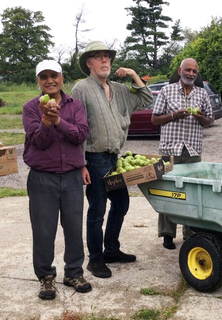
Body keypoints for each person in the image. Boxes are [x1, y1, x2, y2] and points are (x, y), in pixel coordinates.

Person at [71, 41, 153, 278]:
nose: (104, 60)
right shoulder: (81, 89)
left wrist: (134, 74)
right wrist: (81, 163)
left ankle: (112, 250)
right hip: (94, 159)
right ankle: (95, 260)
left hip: (115, 159)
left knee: (121, 204)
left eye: (107, 56)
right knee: (97, 211)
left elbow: (146, 98)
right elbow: (78, 128)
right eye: (98, 57)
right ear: (89, 63)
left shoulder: (118, 89)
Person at [23, 60, 92, 299]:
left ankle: (73, 272)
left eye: (54, 75)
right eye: (44, 77)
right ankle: (46, 277)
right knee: (44, 230)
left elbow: (81, 135)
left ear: (62, 79)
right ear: (38, 82)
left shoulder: (76, 105)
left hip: (72, 177)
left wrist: (58, 121)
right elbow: (39, 142)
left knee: (73, 227)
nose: (49, 80)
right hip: (43, 178)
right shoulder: (31, 107)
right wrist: (45, 121)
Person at [150, 58, 214, 249]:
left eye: (195, 71)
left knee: (192, 193)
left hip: (193, 151)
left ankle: (190, 233)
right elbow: (154, 119)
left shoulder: (202, 94)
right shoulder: (166, 91)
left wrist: (199, 116)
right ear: (180, 70)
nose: (191, 74)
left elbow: (209, 121)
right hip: (170, 150)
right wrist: (173, 116)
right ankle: (168, 234)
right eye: (188, 70)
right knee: (167, 192)